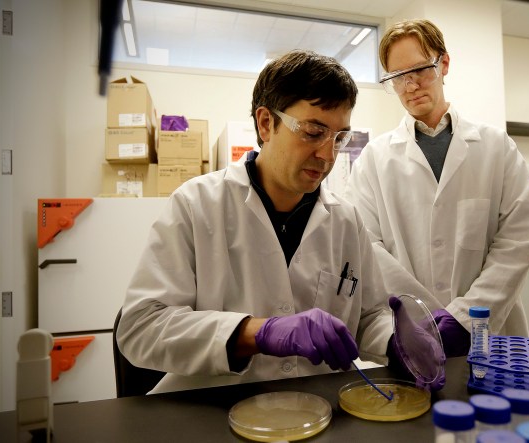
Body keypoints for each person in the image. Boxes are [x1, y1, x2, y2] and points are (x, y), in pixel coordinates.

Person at [116, 50, 398, 394]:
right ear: (266, 123)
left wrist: (399, 339)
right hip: (215, 409)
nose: (328, 155)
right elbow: (140, 327)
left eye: (339, 138)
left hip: (316, 407)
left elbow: (369, 316)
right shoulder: (196, 205)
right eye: (313, 132)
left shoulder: (346, 219)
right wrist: (257, 333)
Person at [344, 19, 529, 357]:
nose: (411, 85)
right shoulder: (374, 160)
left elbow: (517, 239)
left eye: (420, 69)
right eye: (397, 77)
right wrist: (422, 319)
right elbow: (367, 248)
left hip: (490, 336)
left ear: (443, 64)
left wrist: (466, 319)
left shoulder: (496, 147)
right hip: (411, 334)